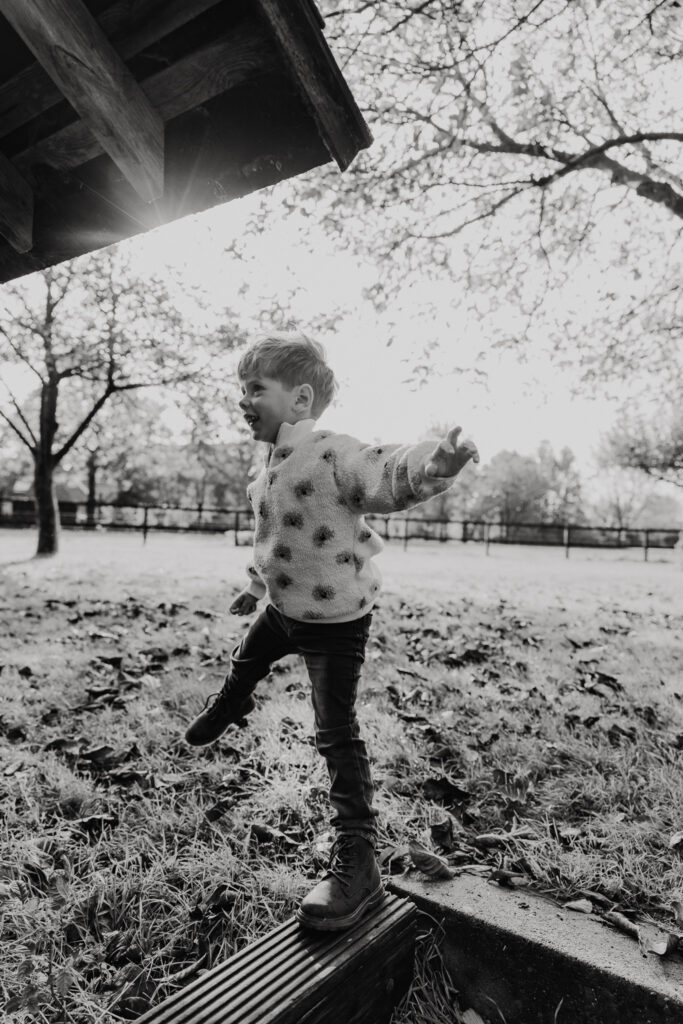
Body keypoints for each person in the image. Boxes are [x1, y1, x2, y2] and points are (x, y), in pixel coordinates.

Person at [185, 332, 479, 931]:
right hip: (284, 608)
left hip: (334, 624)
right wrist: (255, 585)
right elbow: (271, 540)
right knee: (247, 658)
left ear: (299, 399)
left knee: (334, 733)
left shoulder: (330, 451)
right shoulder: (265, 467)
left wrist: (432, 463)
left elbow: (382, 470)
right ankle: (228, 705)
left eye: (254, 389)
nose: (243, 400)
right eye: (241, 389)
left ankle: (359, 862)